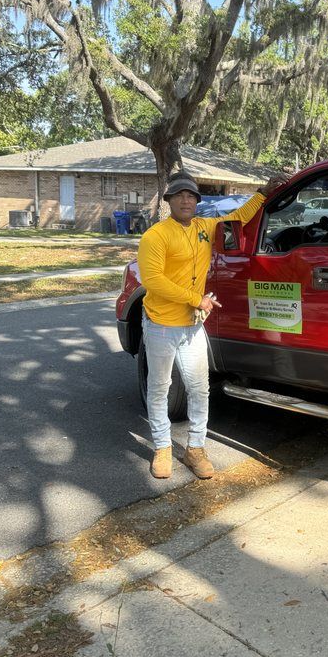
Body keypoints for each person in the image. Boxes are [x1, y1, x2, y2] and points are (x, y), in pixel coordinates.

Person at [137, 171, 287, 480]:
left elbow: (239, 217)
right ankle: (163, 447)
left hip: (192, 327)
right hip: (161, 325)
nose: (186, 200)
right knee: (159, 388)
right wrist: (196, 298)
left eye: (191, 195)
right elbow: (153, 280)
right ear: (169, 200)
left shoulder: (205, 227)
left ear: (196, 201)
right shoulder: (156, 235)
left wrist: (262, 192)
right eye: (179, 195)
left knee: (199, 388)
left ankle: (195, 448)